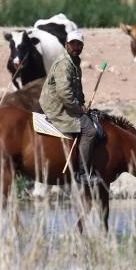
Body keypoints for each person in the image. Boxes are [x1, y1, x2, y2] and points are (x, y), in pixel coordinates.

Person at [39, 28, 100, 185]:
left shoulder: (74, 62)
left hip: (66, 104)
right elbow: (64, 94)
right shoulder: (64, 64)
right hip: (57, 108)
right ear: (66, 44)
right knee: (90, 130)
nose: (76, 47)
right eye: (73, 44)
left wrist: (82, 104)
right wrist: (79, 109)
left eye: (79, 44)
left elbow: (76, 90)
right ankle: (83, 173)